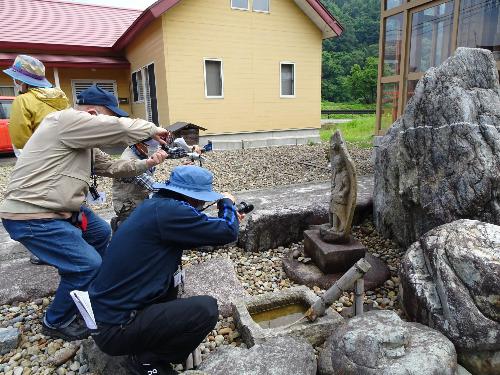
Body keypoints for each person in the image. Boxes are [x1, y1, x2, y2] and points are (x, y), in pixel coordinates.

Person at [0, 84, 171, 341]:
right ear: (91, 114)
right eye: (107, 116)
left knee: (100, 231)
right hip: (34, 214)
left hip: (61, 208)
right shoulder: (63, 120)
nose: (110, 122)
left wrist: (146, 163)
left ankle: (91, 291)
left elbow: (113, 166)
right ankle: (55, 320)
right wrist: (152, 128)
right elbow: (119, 128)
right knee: (86, 265)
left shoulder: (84, 144)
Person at [88, 165, 241, 375]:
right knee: (206, 309)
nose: (203, 205)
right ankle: (148, 361)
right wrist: (227, 203)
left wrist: (212, 223)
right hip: (116, 329)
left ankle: (154, 341)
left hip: (106, 317)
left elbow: (194, 231)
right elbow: (228, 231)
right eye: (202, 201)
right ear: (193, 198)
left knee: (172, 288)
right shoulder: (173, 213)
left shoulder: (156, 207)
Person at [3, 54, 70, 154]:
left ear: (21, 81)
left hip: (40, 156)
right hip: (65, 152)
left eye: (15, 78)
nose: (14, 81)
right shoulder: (60, 96)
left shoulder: (22, 100)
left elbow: (20, 141)